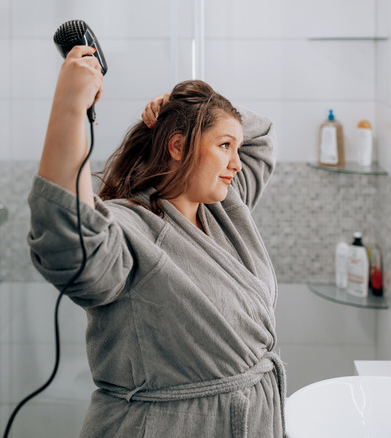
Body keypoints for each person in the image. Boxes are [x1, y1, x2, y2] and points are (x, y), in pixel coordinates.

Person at [27, 45, 285, 437]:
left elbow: (262, 136)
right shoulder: (130, 229)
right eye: (224, 146)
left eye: (236, 147)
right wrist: (70, 108)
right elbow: (70, 240)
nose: (236, 161)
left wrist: (184, 110)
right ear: (178, 147)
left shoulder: (225, 208)